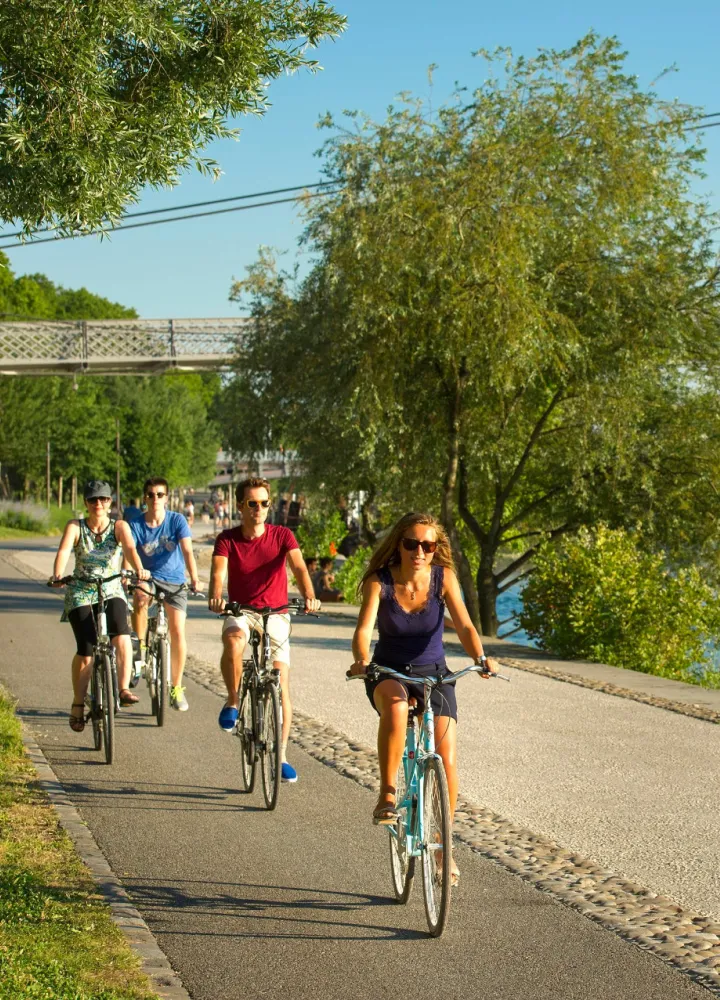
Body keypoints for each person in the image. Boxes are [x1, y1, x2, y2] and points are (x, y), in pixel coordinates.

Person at [350, 511, 498, 886]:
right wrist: (362, 661)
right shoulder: (380, 581)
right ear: (399, 544)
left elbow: (465, 625)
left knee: (447, 759)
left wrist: (480, 658)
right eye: (412, 544)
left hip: (435, 673)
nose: (420, 552)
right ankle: (386, 794)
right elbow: (364, 630)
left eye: (428, 546)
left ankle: (443, 845)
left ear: (435, 549)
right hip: (389, 672)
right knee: (397, 708)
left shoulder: (443, 578)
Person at [209, 477, 320, 782]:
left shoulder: (282, 535)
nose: (259, 509)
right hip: (241, 610)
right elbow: (218, 572)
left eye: (264, 503)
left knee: (281, 683)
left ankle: (281, 755)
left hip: (276, 613)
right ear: (240, 506)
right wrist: (216, 596)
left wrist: (309, 595)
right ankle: (233, 700)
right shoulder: (227, 539)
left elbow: (298, 567)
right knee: (233, 641)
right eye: (252, 503)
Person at [49, 479, 150, 732]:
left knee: (121, 635)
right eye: (93, 499)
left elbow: (130, 548)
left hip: (111, 587)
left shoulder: (119, 526)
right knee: (86, 649)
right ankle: (78, 703)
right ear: (86, 502)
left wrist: (139, 569)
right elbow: (64, 551)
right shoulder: (75, 526)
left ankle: (123, 688)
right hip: (81, 590)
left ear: (110, 502)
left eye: (103, 499)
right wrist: (58, 574)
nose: (98, 504)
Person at [128, 477, 201, 712]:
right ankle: (140, 650)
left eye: (160, 494)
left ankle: (177, 687)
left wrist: (195, 578)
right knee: (140, 598)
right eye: (150, 494)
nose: (155, 498)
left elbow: (187, 550)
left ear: (166, 498)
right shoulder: (136, 524)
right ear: (145, 498)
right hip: (148, 578)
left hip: (175, 581)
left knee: (177, 630)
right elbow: (129, 551)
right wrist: (128, 573)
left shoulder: (177, 520)